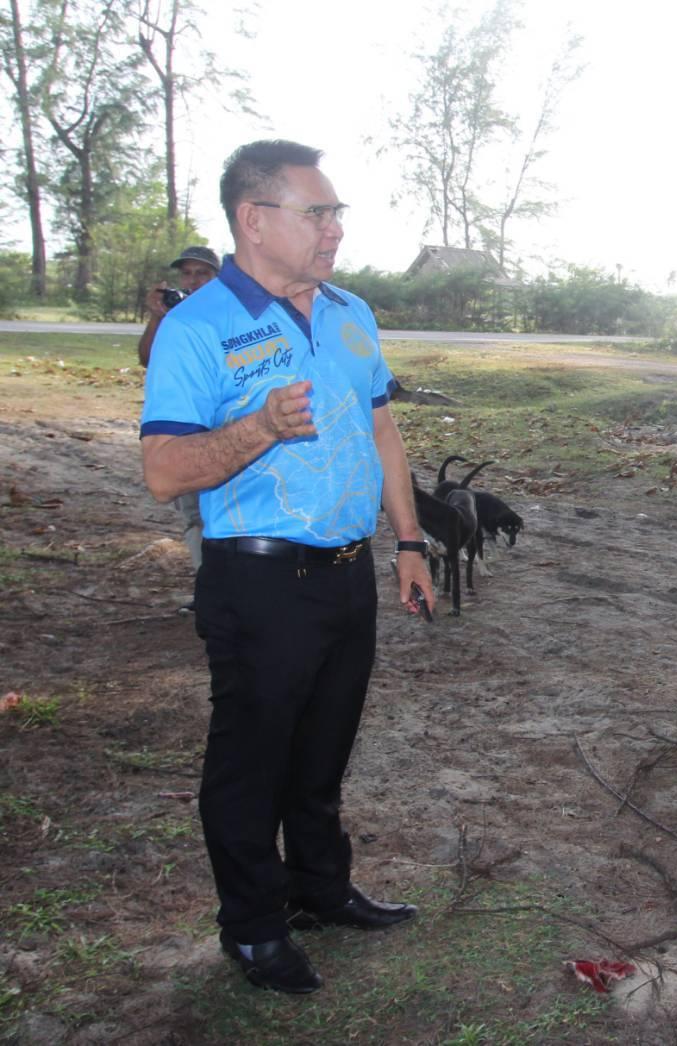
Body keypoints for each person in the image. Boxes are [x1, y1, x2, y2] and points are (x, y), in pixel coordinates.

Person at [139, 140, 436, 995]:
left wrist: (407, 541)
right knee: (252, 763)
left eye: (337, 213)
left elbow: (381, 429)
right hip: (259, 581)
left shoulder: (350, 311)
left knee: (324, 749)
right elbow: (164, 472)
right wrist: (262, 426)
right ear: (254, 220)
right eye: (317, 213)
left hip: (347, 572)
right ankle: (254, 930)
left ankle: (320, 889)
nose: (334, 229)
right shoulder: (198, 328)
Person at [138, 244, 221, 602]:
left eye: (202, 273)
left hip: (226, 427)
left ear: (217, 277)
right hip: (186, 428)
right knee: (194, 514)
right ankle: (209, 592)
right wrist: (157, 317)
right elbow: (147, 358)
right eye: (187, 274)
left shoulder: (229, 312)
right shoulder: (175, 316)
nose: (193, 280)